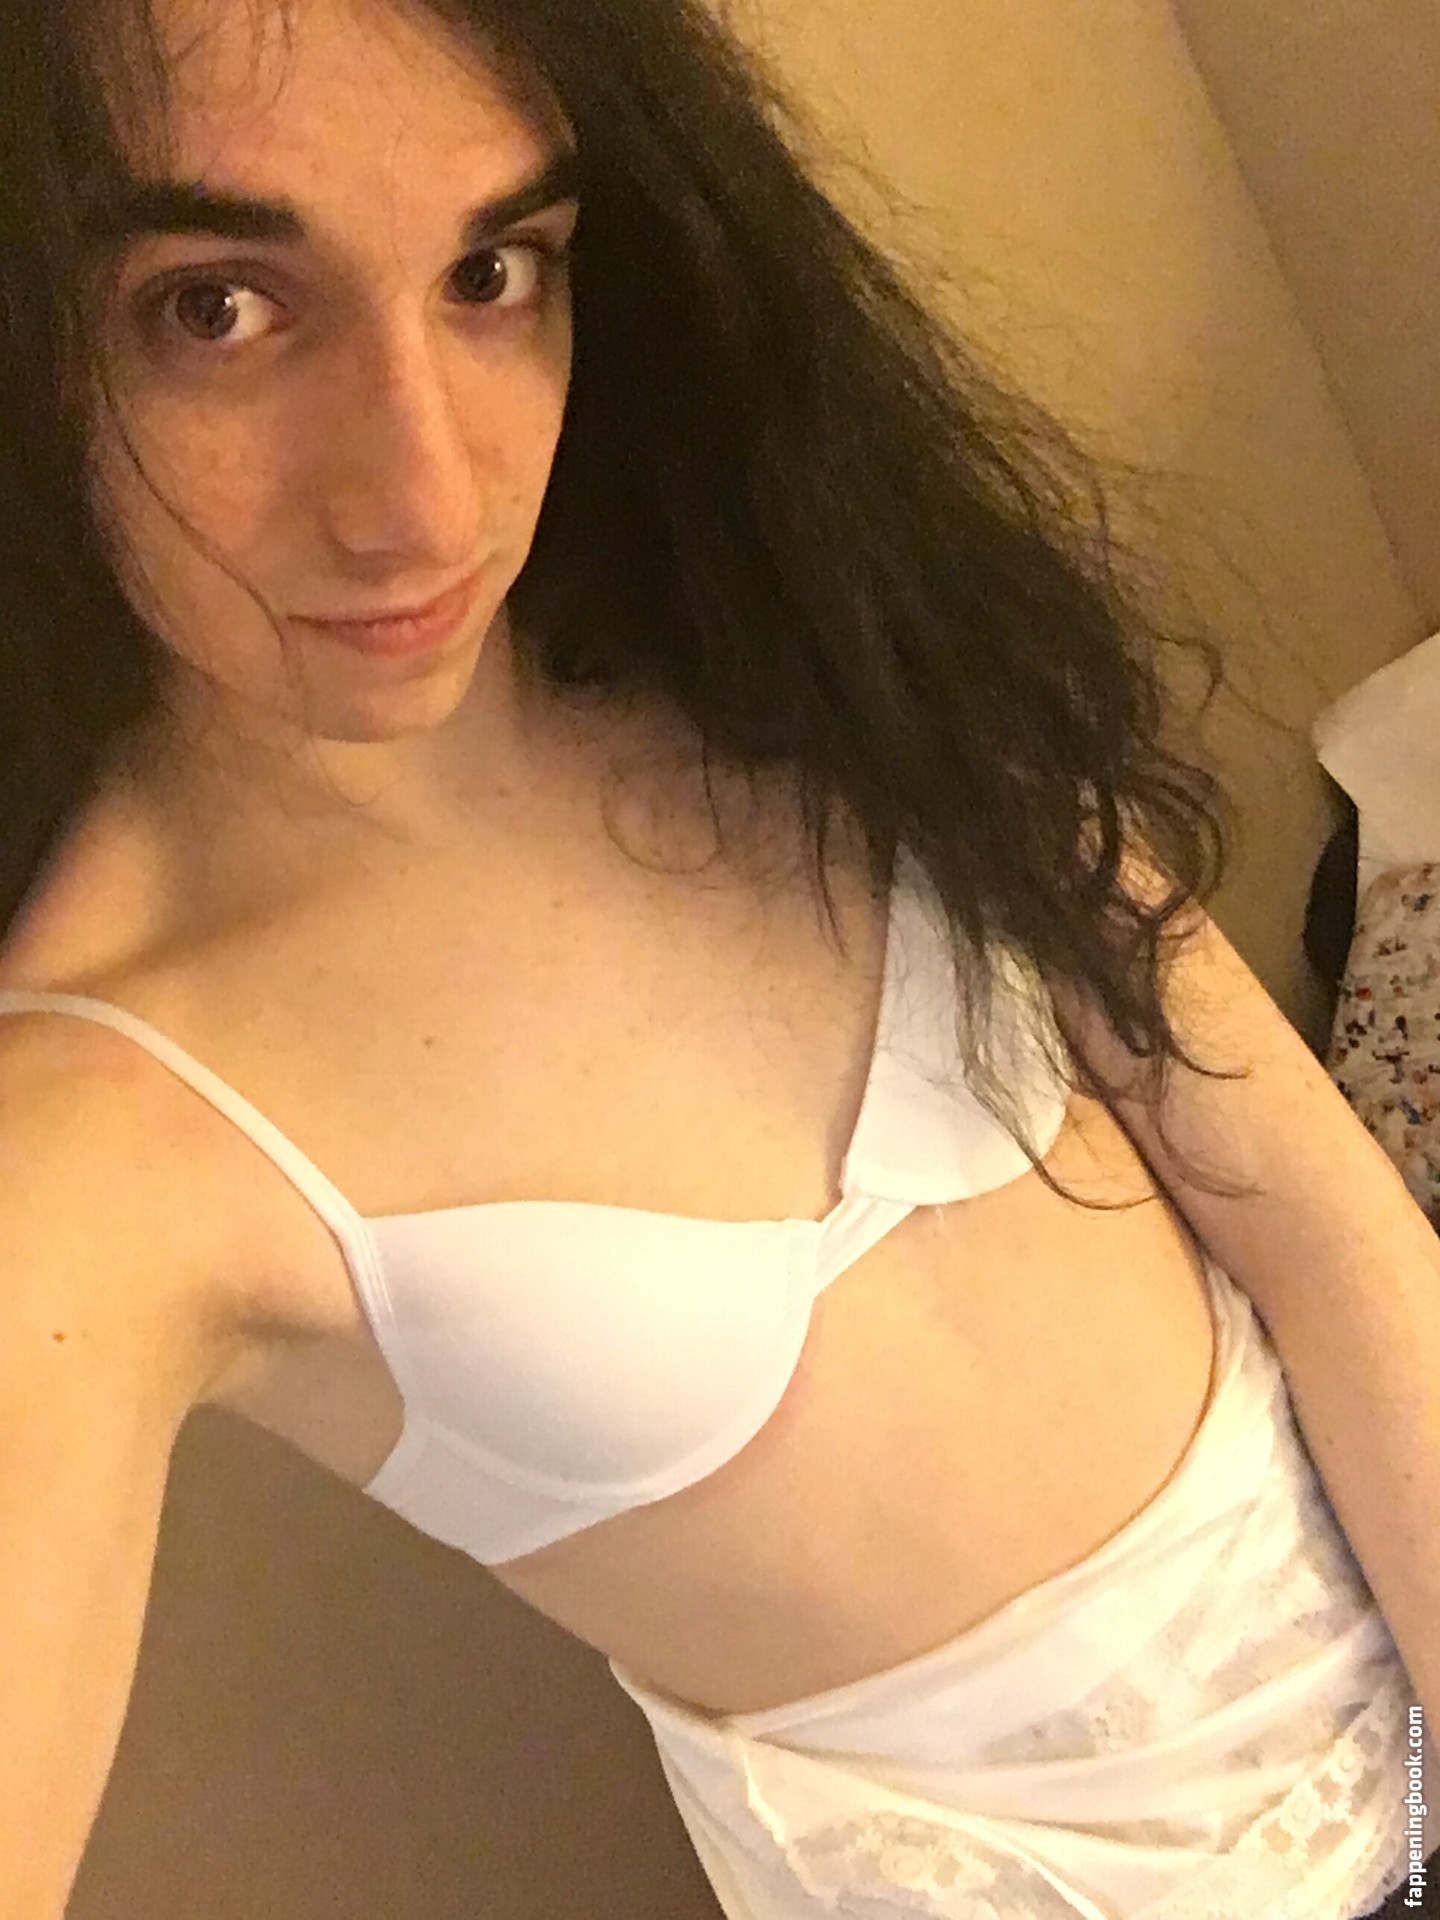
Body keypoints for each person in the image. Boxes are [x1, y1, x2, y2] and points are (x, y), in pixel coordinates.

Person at [0, 0, 1434, 1914]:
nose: (425, 496)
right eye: (216, 308)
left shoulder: (784, 628)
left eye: (491, 273)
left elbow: (1318, 1221)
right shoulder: (91, 1130)